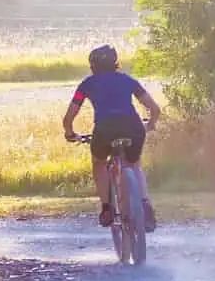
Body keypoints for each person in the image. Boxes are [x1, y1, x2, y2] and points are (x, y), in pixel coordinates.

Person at [61, 44, 160, 231]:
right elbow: (154, 109)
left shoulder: (87, 85)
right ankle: (145, 204)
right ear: (116, 63)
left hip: (105, 129)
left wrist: (70, 133)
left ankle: (106, 208)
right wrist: (151, 124)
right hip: (133, 125)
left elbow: (69, 116)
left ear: (92, 66)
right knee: (133, 163)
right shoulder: (128, 80)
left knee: (99, 162)